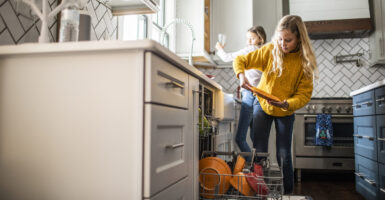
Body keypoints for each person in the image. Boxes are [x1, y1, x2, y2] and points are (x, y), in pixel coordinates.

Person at [233, 15, 318, 194]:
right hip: (262, 105)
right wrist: (242, 75)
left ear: (299, 39)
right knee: (260, 153)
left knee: (284, 155)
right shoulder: (270, 50)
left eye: (288, 40)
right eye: (280, 39)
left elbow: (304, 94)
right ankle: (260, 194)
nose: (282, 43)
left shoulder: (304, 62)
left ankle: (287, 195)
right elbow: (240, 60)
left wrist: (286, 104)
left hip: (286, 110)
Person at [215, 26, 267, 160]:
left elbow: (227, 58)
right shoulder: (263, 52)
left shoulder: (251, 50)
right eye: (247, 39)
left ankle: (254, 167)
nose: (248, 41)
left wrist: (219, 48)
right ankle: (259, 169)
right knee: (254, 137)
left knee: (240, 138)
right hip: (259, 97)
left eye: (252, 38)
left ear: (260, 39)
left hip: (249, 96)